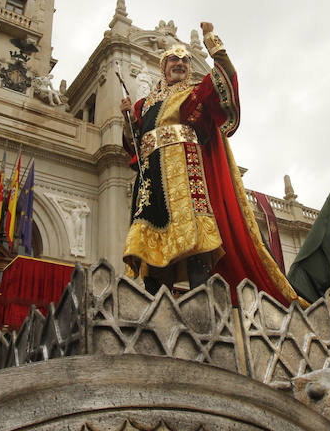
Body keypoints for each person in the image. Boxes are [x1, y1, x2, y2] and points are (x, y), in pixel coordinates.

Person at [120, 22, 300, 305]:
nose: (179, 63)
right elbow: (133, 145)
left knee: (195, 239)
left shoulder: (193, 93)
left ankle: (203, 303)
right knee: (152, 242)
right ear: (163, 67)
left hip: (187, 175)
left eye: (184, 60)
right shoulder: (144, 103)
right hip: (152, 179)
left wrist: (213, 43)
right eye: (173, 60)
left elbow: (225, 79)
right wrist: (128, 119)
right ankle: (154, 306)